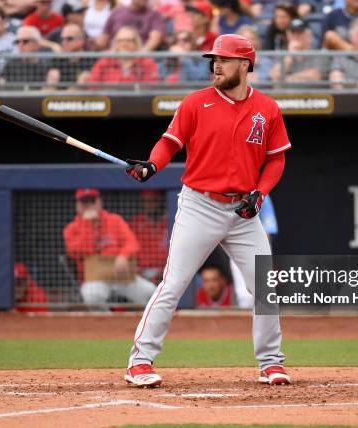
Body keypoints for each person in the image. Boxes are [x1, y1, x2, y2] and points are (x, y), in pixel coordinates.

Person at [123, 34, 292, 387]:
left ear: (245, 65)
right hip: (200, 205)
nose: (216, 64)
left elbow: (276, 161)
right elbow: (169, 143)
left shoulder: (268, 108)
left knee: (266, 287)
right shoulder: (195, 103)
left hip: (242, 211)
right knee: (173, 284)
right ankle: (139, 362)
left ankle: (271, 363)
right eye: (213, 58)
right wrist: (153, 166)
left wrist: (259, 194)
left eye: (225, 59)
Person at [63, 188, 156, 305]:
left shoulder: (115, 220)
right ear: (77, 205)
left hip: (121, 276)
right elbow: (76, 251)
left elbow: (132, 243)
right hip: (94, 279)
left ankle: (139, 322)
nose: (89, 205)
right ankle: (104, 322)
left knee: (150, 292)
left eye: (92, 200)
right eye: (84, 201)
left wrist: (123, 256)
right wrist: (86, 224)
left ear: (100, 202)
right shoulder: (72, 228)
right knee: (92, 297)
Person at [230, 194, 278, 308]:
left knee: (263, 294)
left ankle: (263, 324)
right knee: (244, 297)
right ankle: (245, 324)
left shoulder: (261, 194)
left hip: (257, 247)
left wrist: (263, 255)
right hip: (236, 246)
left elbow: (269, 227)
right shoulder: (227, 193)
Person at [88, 26, 159, 83]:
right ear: (115, 43)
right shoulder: (105, 61)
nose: (124, 44)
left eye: (129, 40)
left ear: (136, 43)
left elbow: (152, 86)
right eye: (120, 41)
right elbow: (93, 84)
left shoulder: (147, 62)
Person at [128, 190, 169, 283]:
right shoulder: (135, 222)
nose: (149, 205)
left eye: (152, 201)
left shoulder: (171, 221)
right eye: (146, 201)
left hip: (166, 272)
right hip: (140, 272)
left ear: (160, 201)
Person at [95, 0, 166, 51]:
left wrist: (141, 54)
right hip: (115, 55)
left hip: (140, 59)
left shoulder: (154, 15)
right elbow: (105, 36)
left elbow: (156, 38)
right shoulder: (117, 12)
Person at [274, 18, 326, 83]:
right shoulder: (281, 54)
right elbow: (275, 76)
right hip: (286, 93)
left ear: (309, 35)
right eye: (293, 32)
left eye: (300, 32)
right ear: (288, 35)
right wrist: (290, 55)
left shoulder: (318, 54)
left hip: (311, 92)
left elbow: (314, 75)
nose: (296, 36)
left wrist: (283, 80)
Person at [46, 23, 93, 87]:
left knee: (84, 76)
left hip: (83, 96)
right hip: (57, 95)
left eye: (69, 39)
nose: (64, 42)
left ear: (81, 40)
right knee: (53, 74)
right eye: (62, 39)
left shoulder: (91, 58)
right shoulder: (58, 59)